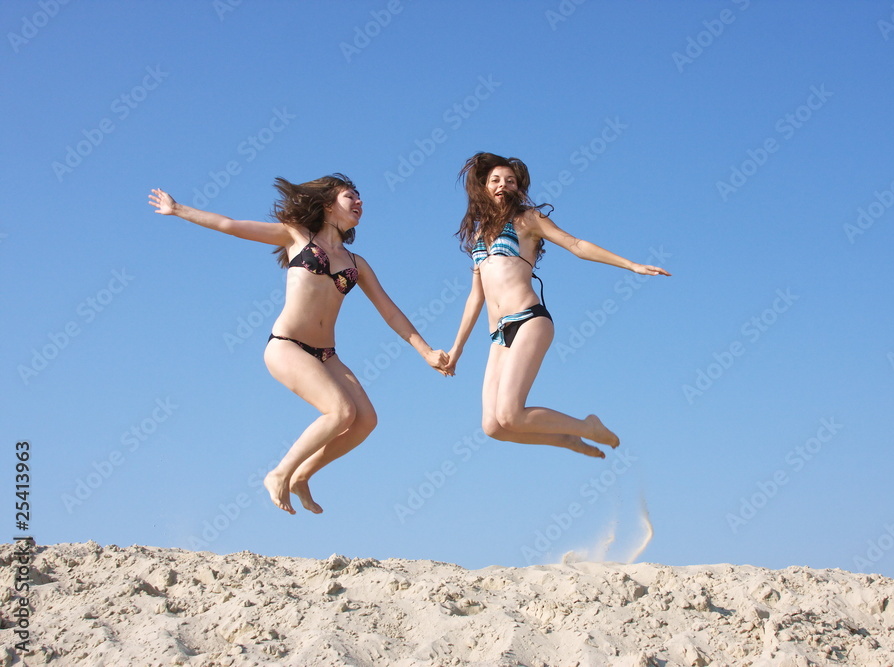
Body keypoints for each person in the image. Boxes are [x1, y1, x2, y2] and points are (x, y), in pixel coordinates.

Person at [148, 175, 449, 514]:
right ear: (328, 204)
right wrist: (177, 208)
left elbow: (389, 311)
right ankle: (279, 473)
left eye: (360, 198)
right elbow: (230, 225)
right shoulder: (296, 236)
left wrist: (426, 351)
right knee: (340, 412)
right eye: (350, 196)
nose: (359, 202)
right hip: (287, 346)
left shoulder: (356, 264)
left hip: (326, 355)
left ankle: (302, 476)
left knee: (365, 421)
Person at [445, 153, 669, 458]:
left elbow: (575, 244)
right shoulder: (479, 233)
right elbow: (476, 296)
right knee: (493, 426)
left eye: (510, 181)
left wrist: (631, 265)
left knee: (510, 414)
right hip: (498, 335)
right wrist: (457, 350)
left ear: (518, 188)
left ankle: (587, 426)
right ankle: (566, 440)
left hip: (528, 319)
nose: (502, 185)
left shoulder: (528, 219)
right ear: (484, 187)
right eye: (495, 180)